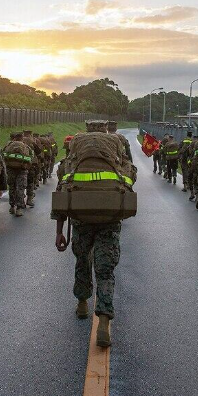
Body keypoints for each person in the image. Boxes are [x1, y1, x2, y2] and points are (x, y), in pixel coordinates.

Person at [53, 120, 128, 347]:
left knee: (82, 261)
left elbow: (61, 192)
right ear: (105, 130)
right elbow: (128, 174)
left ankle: (82, 303)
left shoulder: (75, 144)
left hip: (81, 217)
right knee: (105, 271)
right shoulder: (117, 142)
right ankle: (104, 323)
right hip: (109, 217)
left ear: (87, 130)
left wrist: (59, 231)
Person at [4, 132, 31, 217]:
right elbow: (30, 158)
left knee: (12, 187)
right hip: (22, 170)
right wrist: (27, 167)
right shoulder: (25, 146)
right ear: (22, 138)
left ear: (14, 138)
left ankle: (12, 206)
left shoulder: (8, 145)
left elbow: (4, 155)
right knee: (20, 188)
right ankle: (19, 208)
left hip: (10, 169)